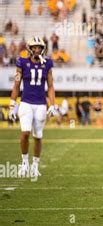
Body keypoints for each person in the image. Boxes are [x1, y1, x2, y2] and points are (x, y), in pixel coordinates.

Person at [8, 37, 58, 178]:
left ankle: (35, 166)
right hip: (26, 103)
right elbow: (17, 85)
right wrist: (12, 104)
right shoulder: (22, 62)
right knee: (25, 133)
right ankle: (24, 163)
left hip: (41, 103)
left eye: (39, 48)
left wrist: (52, 105)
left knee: (38, 136)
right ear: (30, 48)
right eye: (35, 47)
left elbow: (51, 86)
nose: (37, 50)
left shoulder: (47, 63)